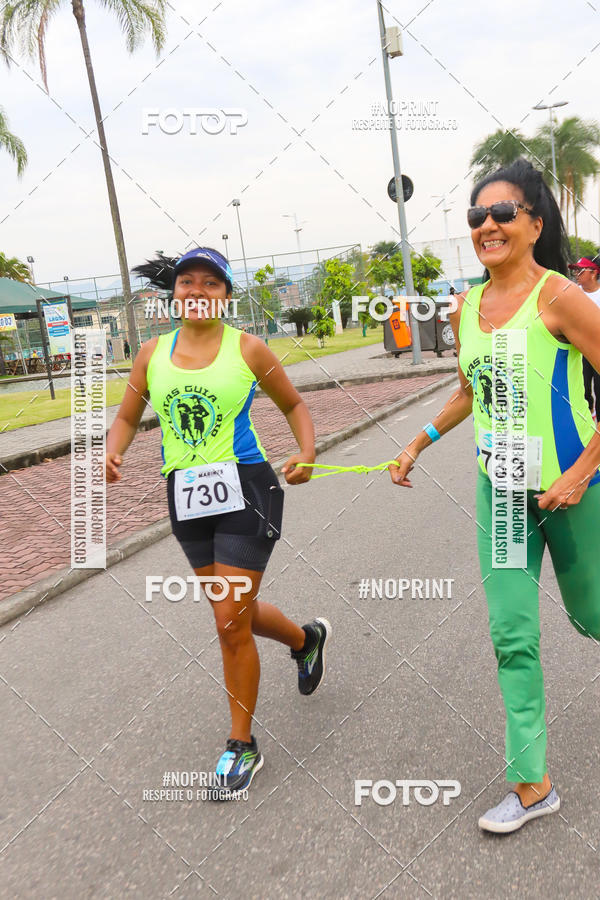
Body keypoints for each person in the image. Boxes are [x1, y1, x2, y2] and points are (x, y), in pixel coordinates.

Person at [390, 159, 600, 834]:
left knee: (593, 615)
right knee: (512, 634)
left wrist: (579, 474)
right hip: (503, 495)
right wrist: (418, 441)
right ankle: (532, 784)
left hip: (575, 492)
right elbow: (469, 389)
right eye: (477, 216)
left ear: (535, 224)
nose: (488, 225)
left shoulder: (560, 297)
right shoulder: (465, 307)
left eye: (503, 213)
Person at [105, 247, 331, 798]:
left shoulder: (248, 348)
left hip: (248, 490)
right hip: (186, 498)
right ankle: (305, 640)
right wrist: (114, 449)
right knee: (236, 613)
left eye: (211, 283)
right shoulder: (152, 354)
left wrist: (307, 452)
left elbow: (294, 405)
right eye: (187, 282)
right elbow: (128, 416)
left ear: (226, 295)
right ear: (174, 293)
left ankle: (241, 745)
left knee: (229, 620)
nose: (198, 291)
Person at [568, 255, 600, 418]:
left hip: (597, 349)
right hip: (579, 351)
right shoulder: (573, 294)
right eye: (575, 271)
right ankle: (589, 415)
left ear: (593, 273)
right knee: (583, 389)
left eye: (580, 271)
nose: (576, 274)